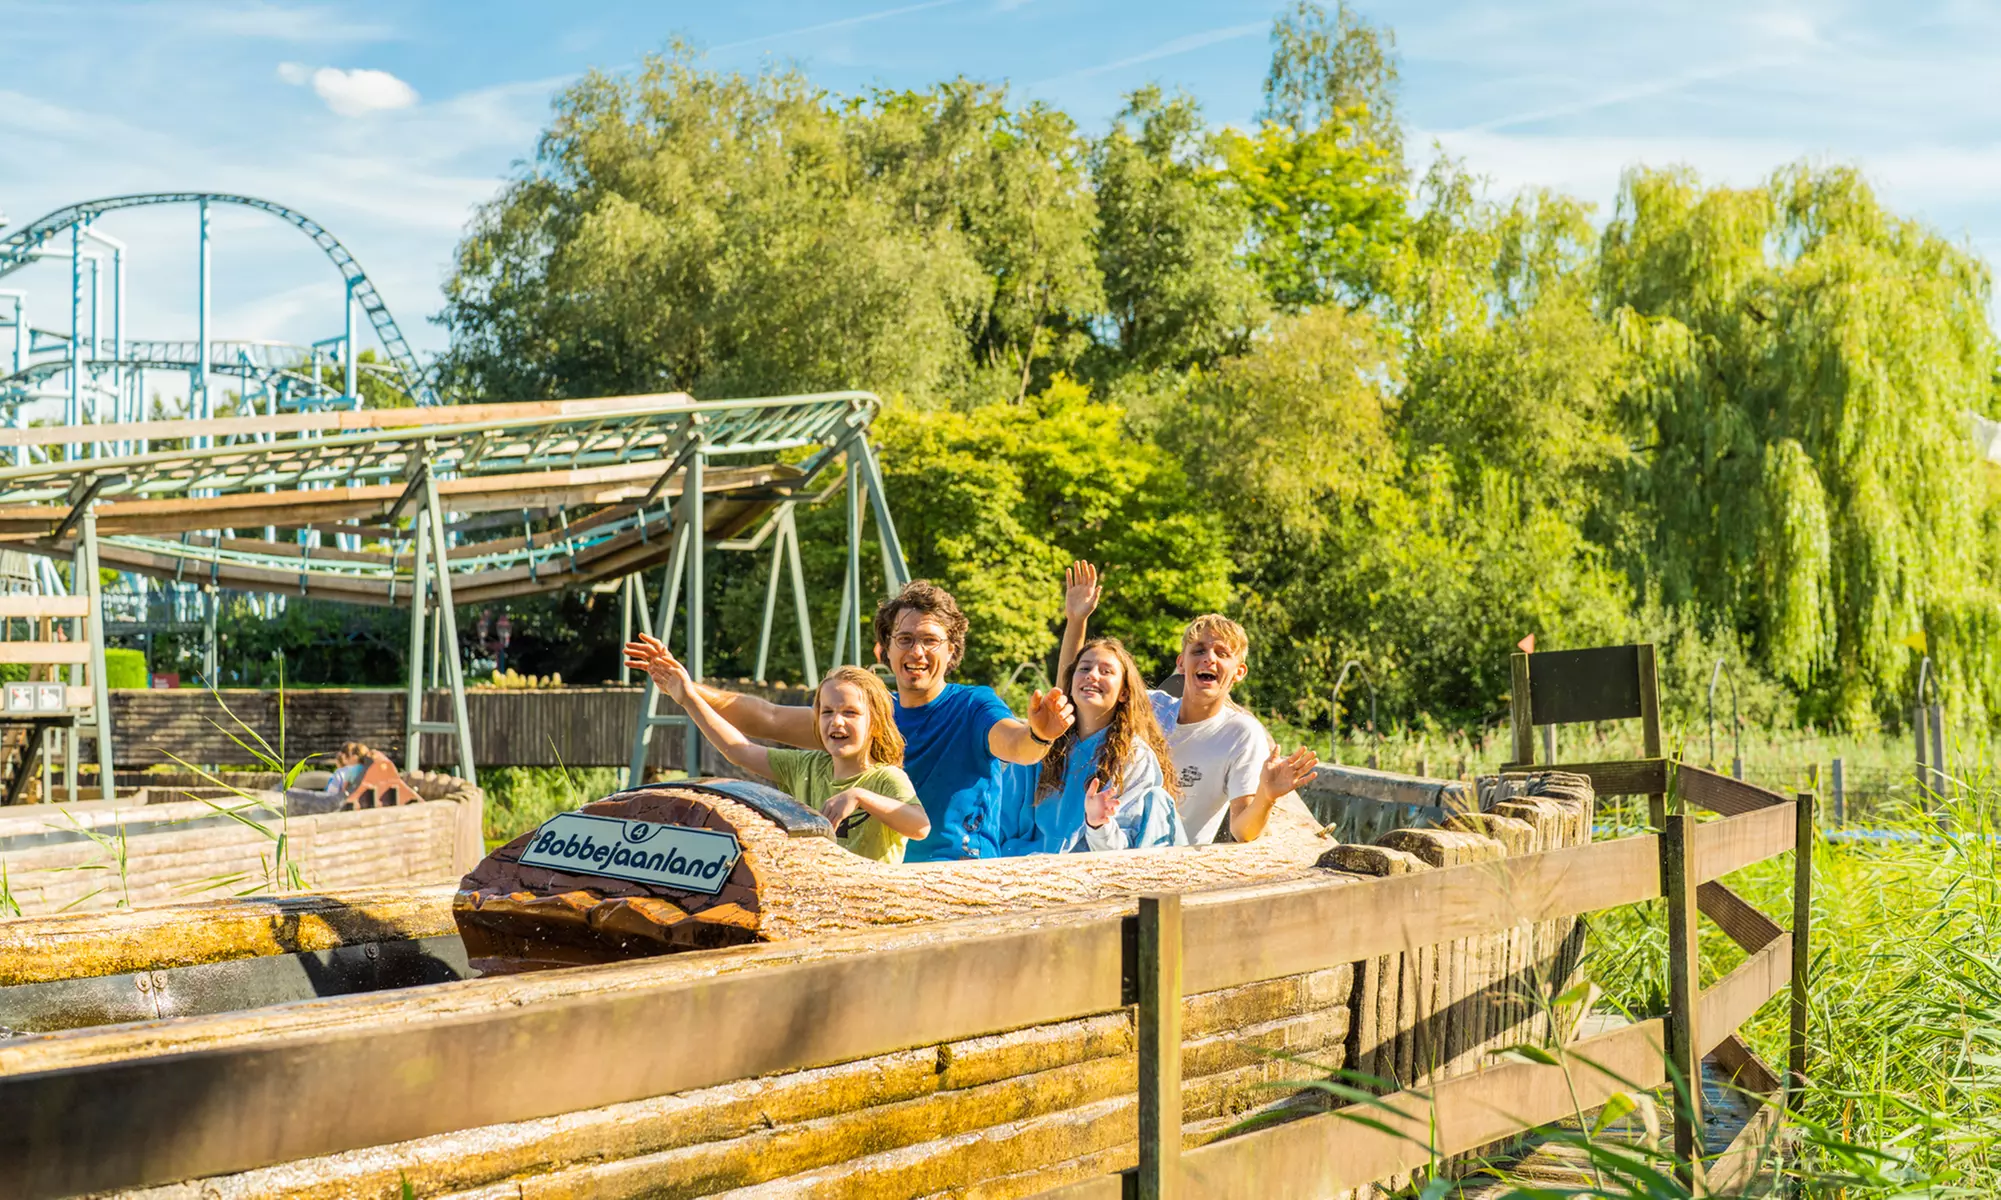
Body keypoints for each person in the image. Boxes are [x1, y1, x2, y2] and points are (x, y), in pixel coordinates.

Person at [623, 580, 1073, 861]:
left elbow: (1017, 745)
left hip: (953, 876)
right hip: (867, 888)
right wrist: (683, 686)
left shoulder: (973, 705)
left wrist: (1041, 733)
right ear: (886, 648)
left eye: (931, 641)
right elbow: (767, 718)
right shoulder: (867, 714)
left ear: (952, 651)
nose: (917, 652)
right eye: (905, 638)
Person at [1057, 560, 1318, 844]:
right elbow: (1075, 695)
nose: (1209, 659)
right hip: (1108, 841)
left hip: (1171, 856)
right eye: (1199, 650)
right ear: (1181, 664)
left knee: (1157, 799)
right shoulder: (1152, 708)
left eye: (1222, 653)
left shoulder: (1241, 733)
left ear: (1239, 672)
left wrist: (1266, 796)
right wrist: (1076, 621)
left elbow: (1243, 831)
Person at [638, 657, 930, 863]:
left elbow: (920, 826)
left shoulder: (885, 779)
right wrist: (688, 698)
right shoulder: (806, 766)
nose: (836, 722)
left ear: (875, 723)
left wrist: (860, 797)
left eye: (850, 713)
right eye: (827, 712)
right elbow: (738, 749)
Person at [999, 637, 1186, 853]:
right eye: (1085, 668)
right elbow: (1001, 822)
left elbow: (1124, 855)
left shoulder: (1135, 756)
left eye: (1106, 671)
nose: (1092, 675)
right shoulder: (1041, 744)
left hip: (1095, 876)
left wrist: (1099, 825)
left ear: (1124, 693)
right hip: (1027, 868)